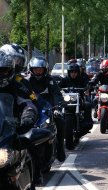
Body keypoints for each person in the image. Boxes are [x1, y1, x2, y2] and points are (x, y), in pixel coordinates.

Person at [26, 56, 66, 184]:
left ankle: (60, 148)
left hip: (48, 109)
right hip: (31, 110)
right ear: (31, 69)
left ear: (45, 70)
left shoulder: (50, 81)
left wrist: (58, 107)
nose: (38, 72)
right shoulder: (27, 81)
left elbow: (57, 95)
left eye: (40, 69)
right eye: (35, 69)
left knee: (60, 121)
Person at [0, 51, 38, 185]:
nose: (1, 74)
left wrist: (28, 115)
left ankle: (33, 180)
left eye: (3, 71)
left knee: (30, 146)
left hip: (12, 131)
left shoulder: (17, 86)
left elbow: (28, 103)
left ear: (11, 70)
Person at [58, 62, 93, 132]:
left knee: (88, 105)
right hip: (67, 100)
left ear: (78, 73)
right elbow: (58, 86)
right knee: (57, 107)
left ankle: (87, 122)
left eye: (75, 72)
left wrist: (88, 87)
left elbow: (87, 84)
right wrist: (57, 88)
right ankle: (58, 125)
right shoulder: (65, 79)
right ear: (69, 72)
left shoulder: (82, 79)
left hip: (79, 99)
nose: (73, 74)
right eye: (71, 72)